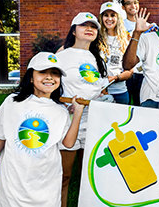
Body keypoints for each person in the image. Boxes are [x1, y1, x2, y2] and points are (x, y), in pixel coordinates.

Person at [0, 52, 85, 206]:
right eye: (42, 72)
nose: (49, 77)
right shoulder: (12, 103)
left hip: (46, 186)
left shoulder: (60, 111)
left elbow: (68, 143)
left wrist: (78, 112)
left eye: (55, 73)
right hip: (13, 186)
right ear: (31, 77)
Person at [56, 12, 108, 207]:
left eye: (93, 26)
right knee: (64, 175)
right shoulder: (62, 55)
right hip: (68, 120)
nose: (89, 29)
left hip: (92, 121)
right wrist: (63, 101)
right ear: (73, 30)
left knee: (89, 177)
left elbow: (96, 87)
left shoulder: (96, 57)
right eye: (83, 25)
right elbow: (52, 85)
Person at [121, 0, 157, 106]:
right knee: (126, 107)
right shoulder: (120, 26)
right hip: (125, 72)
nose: (133, 6)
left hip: (143, 72)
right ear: (123, 7)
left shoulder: (149, 26)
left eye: (135, 3)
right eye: (128, 3)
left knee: (140, 105)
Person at [99, 2, 133, 104]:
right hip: (99, 92)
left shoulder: (126, 39)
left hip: (120, 92)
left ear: (118, 18)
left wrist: (116, 78)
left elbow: (131, 70)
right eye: (106, 15)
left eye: (113, 15)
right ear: (101, 18)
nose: (109, 19)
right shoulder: (96, 38)